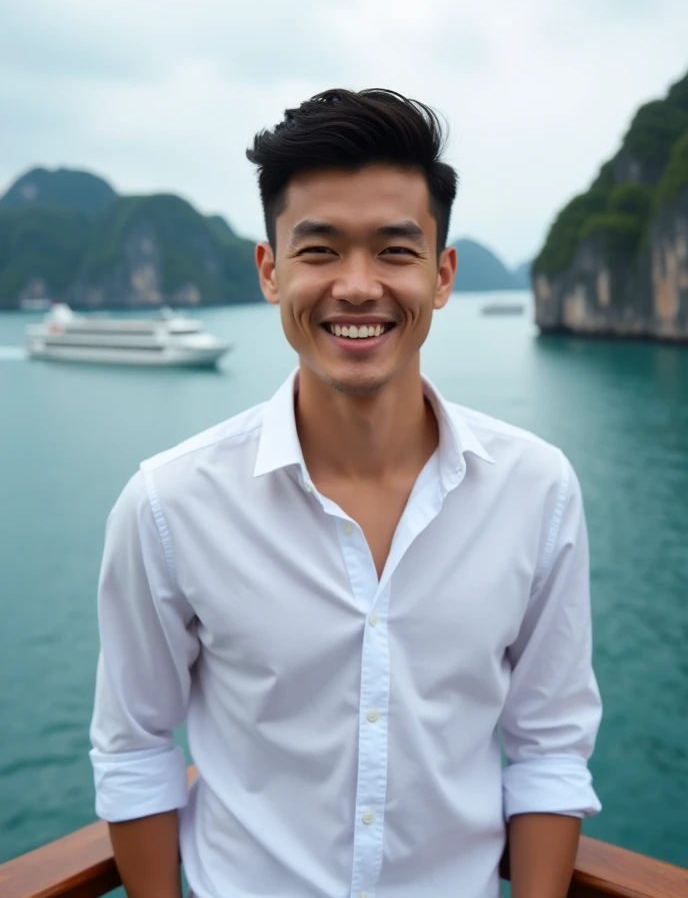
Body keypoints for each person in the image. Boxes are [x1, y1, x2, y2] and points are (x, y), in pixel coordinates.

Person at [89, 89, 602, 898]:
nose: (357, 287)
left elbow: (548, 744)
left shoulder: (535, 490)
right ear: (270, 272)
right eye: (319, 251)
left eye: (395, 251)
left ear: (442, 275)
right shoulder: (168, 504)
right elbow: (136, 745)